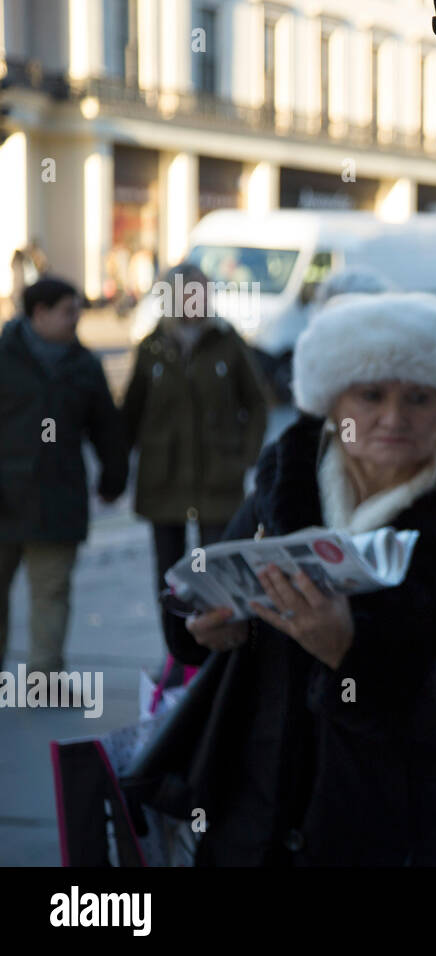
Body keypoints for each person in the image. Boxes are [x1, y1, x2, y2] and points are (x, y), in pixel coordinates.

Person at [163, 291, 436, 865]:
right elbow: (201, 586)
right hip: (259, 818)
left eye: (418, 397)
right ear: (332, 399)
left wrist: (354, 651)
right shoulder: (287, 474)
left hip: (406, 831)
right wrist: (204, 624)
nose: (394, 418)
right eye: (370, 394)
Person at [122, 263, 271, 673]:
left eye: (204, 293)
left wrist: (247, 455)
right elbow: (130, 413)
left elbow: (257, 402)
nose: (199, 301)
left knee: (215, 569)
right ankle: (175, 654)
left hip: (217, 479)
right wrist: (117, 470)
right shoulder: (152, 346)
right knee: (169, 575)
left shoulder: (227, 342)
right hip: (163, 478)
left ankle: (214, 656)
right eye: (190, 294)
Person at [0, 277, 129, 672]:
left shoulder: (84, 364)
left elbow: (108, 428)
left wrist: (113, 479)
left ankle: (44, 677)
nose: (77, 319)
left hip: (57, 498)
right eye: (68, 311)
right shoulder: (4, 357)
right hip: (3, 498)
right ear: (39, 314)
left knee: (52, 593)